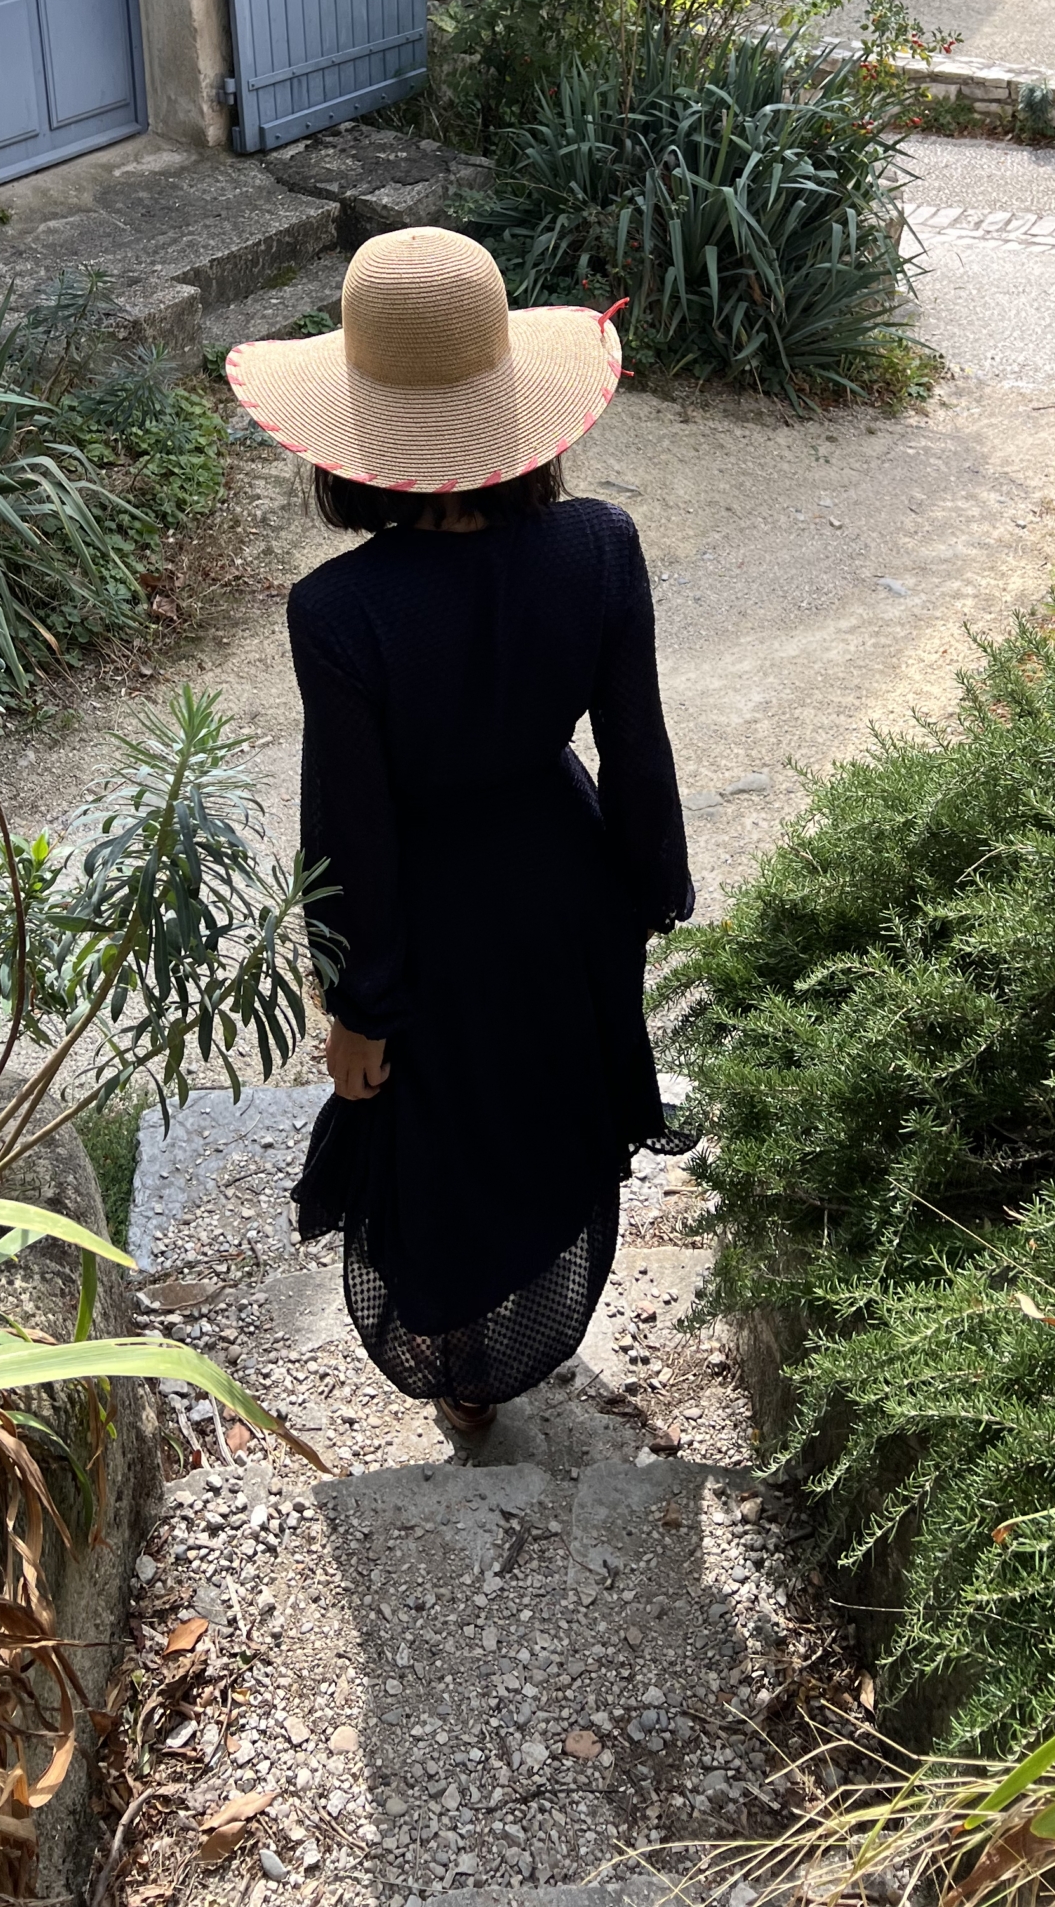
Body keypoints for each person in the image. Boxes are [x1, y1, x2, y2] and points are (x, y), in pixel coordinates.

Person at [225, 223, 695, 1437]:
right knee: (552, 1111)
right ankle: (517, 1352)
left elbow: (350, 828)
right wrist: (649, 889)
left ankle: (463, 1370)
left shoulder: (339, 610)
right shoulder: (601, 546)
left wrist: (359, 1004)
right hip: (568, 883)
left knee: (444, 1133)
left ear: (353, 446)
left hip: (432, 924)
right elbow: (636, 745)